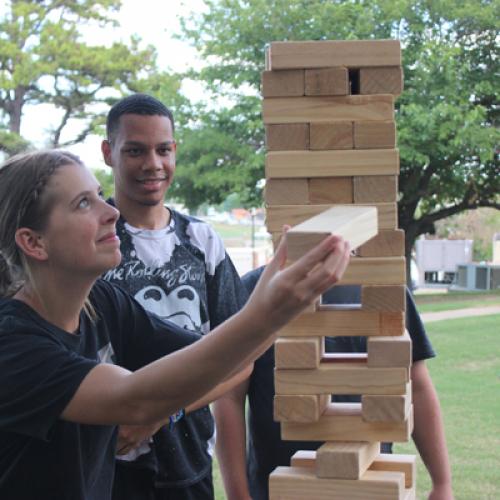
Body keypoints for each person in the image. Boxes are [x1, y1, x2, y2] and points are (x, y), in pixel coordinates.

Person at [0, 150, 350, 500]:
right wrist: (267, 312)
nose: (111, 212)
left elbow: (225, 359)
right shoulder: (12, 344)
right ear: (33, 242)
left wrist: (283, 306)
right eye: (82, 204)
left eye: (98, 195)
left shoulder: (102, 303)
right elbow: (136, 400)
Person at [100, 93, 250, 499]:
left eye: (163, 150)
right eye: (135, 150)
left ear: (174, 152)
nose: (153, 164)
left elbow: (240, 360)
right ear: (108, 152)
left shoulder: (202, 242)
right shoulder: (91, 240)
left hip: (189, 466)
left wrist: (160, 413)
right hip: (104, 468)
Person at [236, 267, 453, 500]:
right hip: (278, 487)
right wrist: (238, 493)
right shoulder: (251, 291)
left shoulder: (384, 288)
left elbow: (417, 385)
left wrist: (442, 483)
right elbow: (230, 399)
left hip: (369, 482)